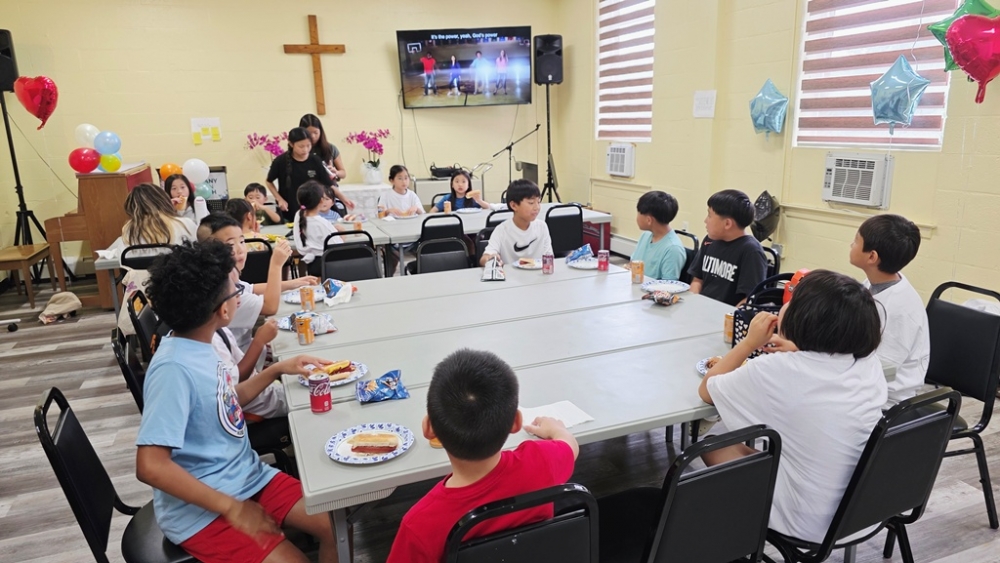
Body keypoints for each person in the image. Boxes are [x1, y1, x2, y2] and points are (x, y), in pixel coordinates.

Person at [135, 240, 338, 563]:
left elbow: (227, 401)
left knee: (335, 527)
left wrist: (276, 370)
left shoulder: (201, 344)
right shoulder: (173, 368)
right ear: (224, 310)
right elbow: (150, 466)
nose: (238, 294)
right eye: (234, 291)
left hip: (246, 477)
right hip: (200, 512)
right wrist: (232, 507)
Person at [698, 270, 886, 544]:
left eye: (792, 300)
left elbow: (707, 391)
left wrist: (750, 342)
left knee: (712, 444)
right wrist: (798, 349)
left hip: (808, 523)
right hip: (864, 510)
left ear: (802, 316)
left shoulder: (775, 369)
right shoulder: (869, 364)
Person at [386, 348, 579, 563]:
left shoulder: (419, 525)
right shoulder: (540, 462)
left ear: (429, 429)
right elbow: (570, 446)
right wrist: (556, 429)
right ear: (516, 422)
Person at [197, 213, 316, 353]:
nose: (240, 249)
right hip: (244, 355)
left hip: (248, 349)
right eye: (230, 244)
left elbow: (252, 288)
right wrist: (276, 265)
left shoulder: (224, 277)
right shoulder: (224, 293)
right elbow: (270, 307)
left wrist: (293, 283)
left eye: (242, 242)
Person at [849, 214, 929, 404]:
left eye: (856, 240)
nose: (851, 245)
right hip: (865, 382)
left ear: (872, 256)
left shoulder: (900, 310)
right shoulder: (874, 283)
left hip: (887, 401)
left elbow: (884, 370)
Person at [118, 183, 198, 335]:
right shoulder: (184, 224)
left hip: (143, 298)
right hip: (181, 293)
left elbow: (122, 264)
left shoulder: (128, 232)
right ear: (163, 200)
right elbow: (194, 255)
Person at [687, 189, 768, 306]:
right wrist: (692, 303)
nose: (705, 220)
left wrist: (728, 315)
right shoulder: (709, 241)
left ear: (727, 224)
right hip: (702, 309)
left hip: (727, 314)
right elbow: (697, 280)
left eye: (709, 215)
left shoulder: (751, 251)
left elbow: (749, 299)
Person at [265, 127, 354, 222]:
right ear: (291, 144)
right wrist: (279, 199)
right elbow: (269, 181)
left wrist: (344, 199)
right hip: (290, 210)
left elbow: (329, 184)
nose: (305, 149)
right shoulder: (280, 162)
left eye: (308, 145)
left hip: (313, 212)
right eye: (301, 146)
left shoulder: (315, 161)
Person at [480, 180, 553, 266]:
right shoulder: (502, 230)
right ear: (514, 205)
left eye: (538, 202)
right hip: (510, 274)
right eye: (531, 203)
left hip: (538, 273)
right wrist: (490, 259)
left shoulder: (542, 227)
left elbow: (549, 257)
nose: (537, 207)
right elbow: (485, 258)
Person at [628, 191, 687, 281]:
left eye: (638, 213)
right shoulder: (645, 235)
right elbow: (632, 265)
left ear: (649, 220)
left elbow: (668, 285)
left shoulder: (673, 249)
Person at [378, 165, 424, 276]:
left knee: (424, 249)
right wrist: (388, 211)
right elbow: (380, 215)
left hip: (412, 235)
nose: (404, 181)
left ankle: (419, 271)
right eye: (400, 178)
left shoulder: (412, 195)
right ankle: (390, 277)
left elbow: (422, 213)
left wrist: (416, 208)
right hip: (393, 236)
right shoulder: (386, 195)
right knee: (391, 256)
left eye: (406, 178)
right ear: (391, 180)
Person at [294, 181, 343, 277]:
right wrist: (342, 233)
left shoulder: (299, 215)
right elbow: (338, 247)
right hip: (328, 265)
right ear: (321, 201)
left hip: (311, 264)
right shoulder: (322, 223)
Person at [300, 113, 348, 183]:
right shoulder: (298, 150)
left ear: (321, 131)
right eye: (309, 133)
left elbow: (343, 173)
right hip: (306, 187)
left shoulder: (330, 148)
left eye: (316, 132)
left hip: (328, 186)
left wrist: (336, 172)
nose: (313, 136)